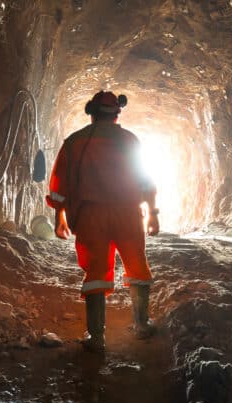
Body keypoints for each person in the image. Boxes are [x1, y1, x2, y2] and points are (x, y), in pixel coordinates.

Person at [46, 90, 160, 352]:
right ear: (117, 114)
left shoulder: (74, 142)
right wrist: (152, 213)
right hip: (128, 213)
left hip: (91, 216)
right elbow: (145, 181)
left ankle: (96, 338)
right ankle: (141, 324)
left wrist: (59, 217)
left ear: (91, 113)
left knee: (95, 271)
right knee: (136, 264)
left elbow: (59, 186)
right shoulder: (130, 141)